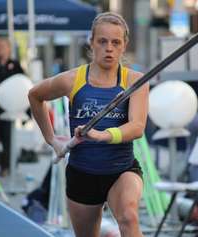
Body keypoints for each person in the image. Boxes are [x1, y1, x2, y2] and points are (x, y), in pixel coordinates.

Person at [28, 12, 148, 237]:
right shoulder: (72, 80)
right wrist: (52, 140)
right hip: (83, 174)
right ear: (91, 43)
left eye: (115, 42)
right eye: (102, 41)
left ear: (124, 46)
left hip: (121, 170)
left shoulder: (135, 81)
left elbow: (137, 127)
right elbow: (35, 96)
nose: (109, 48)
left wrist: (102, 135)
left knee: (129, 216)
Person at [0, 38, 24, 177]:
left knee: (8, 134)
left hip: (11, 105)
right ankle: (3, 162)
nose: (0, 49)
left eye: (3, 46)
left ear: (9, 49)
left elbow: (21, 82)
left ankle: (9, 164)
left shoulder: (14, 64)